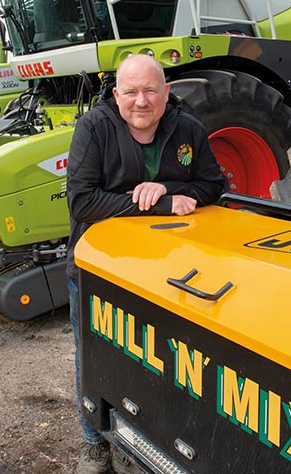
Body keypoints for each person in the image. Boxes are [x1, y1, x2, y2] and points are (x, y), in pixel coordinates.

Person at [66, 54, 226, 473]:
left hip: (165, 273)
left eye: (151, 90)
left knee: (150, 361)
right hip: (99, 269)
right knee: (94, 355)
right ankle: (93, 444)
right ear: (117, 95)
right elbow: (82, 201)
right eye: (132, 92)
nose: (142, 101)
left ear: (166, 93)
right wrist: (160, 204)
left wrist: (168, 187)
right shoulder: (95, 128)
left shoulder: (187, 128)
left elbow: (213, 183)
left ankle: (145, 438)